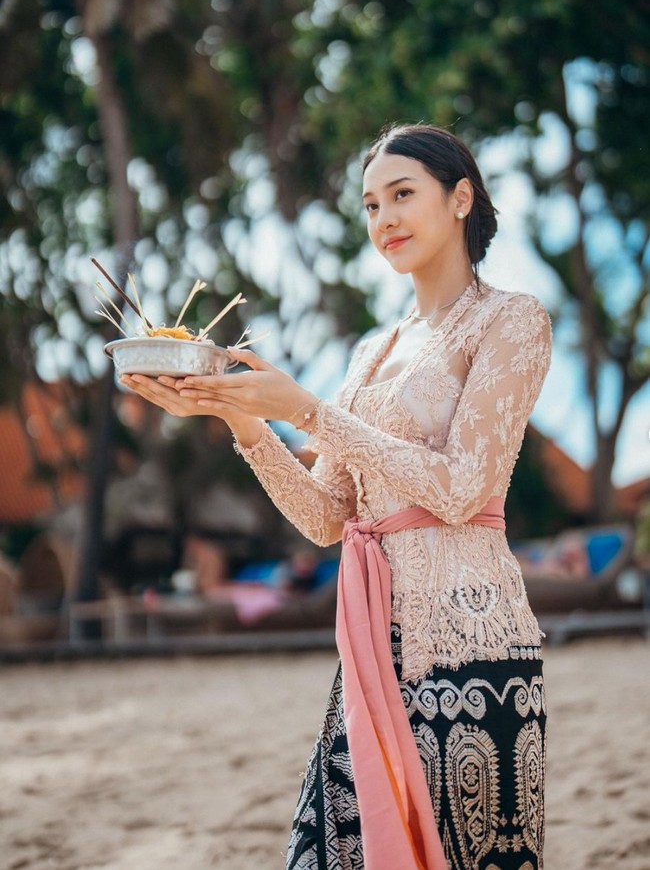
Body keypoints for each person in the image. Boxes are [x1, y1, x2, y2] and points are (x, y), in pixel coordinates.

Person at [121, 122, 552, 870]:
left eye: (402, 194)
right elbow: (326, 517)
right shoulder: (367, 354)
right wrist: (242, 418)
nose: (383, 217)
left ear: (460, 198)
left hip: (474, 647)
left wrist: (312, 412)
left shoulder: (511, 320)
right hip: (372, 651)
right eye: (369, 203)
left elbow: (461, 488)